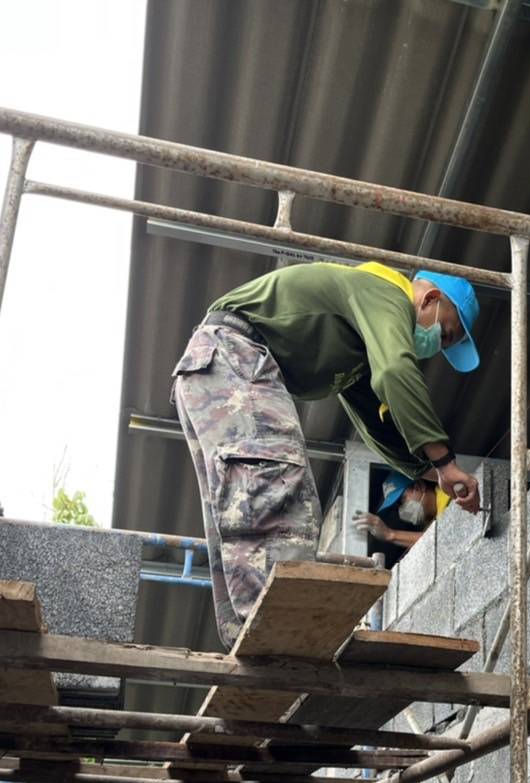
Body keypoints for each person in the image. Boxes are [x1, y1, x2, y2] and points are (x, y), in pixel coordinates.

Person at [171, 260, 482, 648]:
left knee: (242, 506)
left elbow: (374, 422)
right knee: (280, 489)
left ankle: (251, 637)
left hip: (216, 367)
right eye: (445, 333)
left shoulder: (358, 336)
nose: (436, 346)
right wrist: (446, 461)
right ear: (431, 299)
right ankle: (284, 637)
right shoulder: (386, 292)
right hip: (237, 357)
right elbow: (395, 373)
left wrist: (434, 473)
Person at [353, 471, 447, 550]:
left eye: (402, 500)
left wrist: (389, 534)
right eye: (397, 506)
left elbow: (443, 539)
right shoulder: (433, 520)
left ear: (419, 486)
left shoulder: (448, 498)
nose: (401, 510)